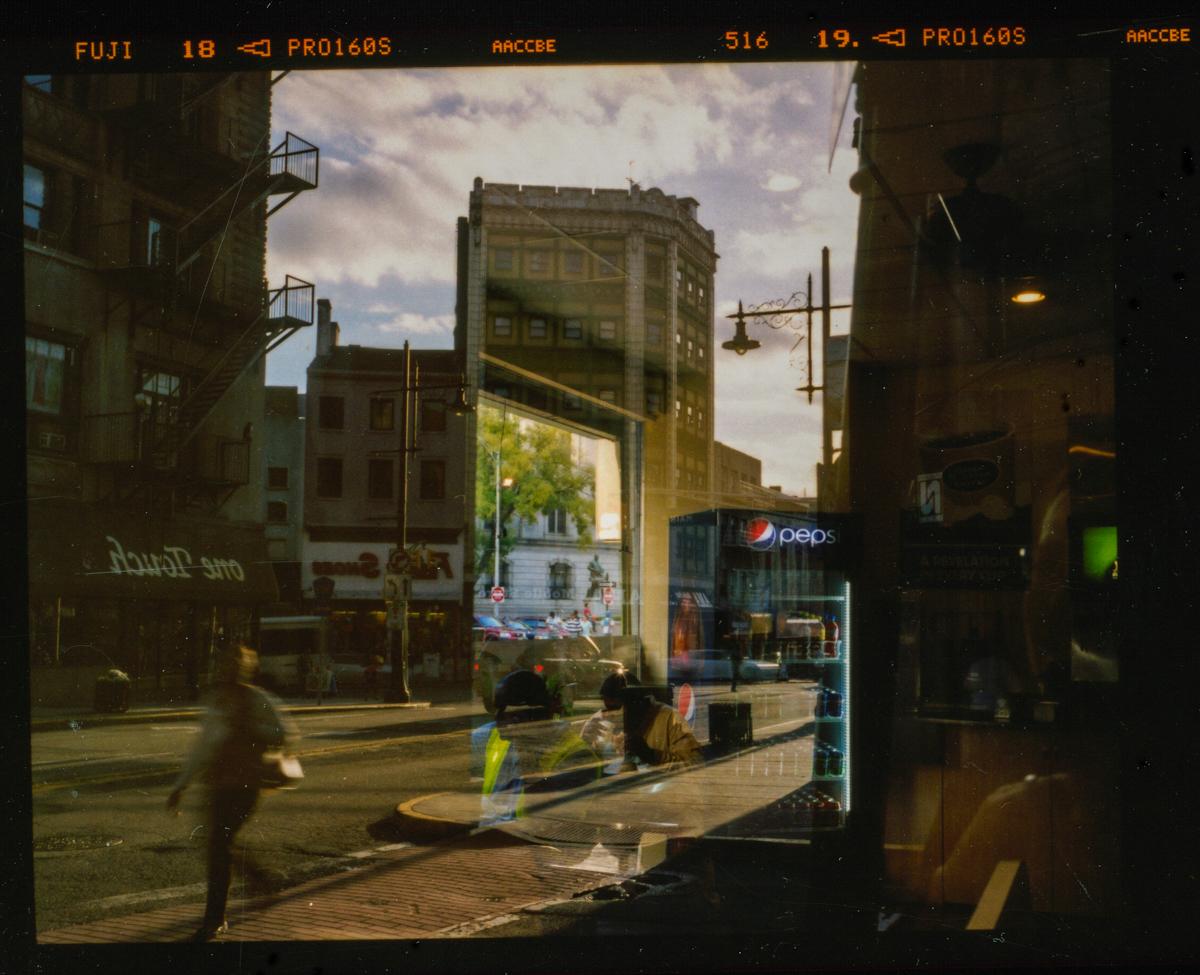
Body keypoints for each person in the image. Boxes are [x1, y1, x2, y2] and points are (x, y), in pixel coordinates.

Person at [166, 644, 298, 942]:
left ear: (247, 667)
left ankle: (214, 919)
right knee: (219, 844)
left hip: (246, 785)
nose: (230, 669)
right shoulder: (216, 699)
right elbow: (202, 747)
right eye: (225, 663)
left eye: (236, 663)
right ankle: (261, 879)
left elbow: (284, 734)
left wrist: (251, 729)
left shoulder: (258, 699)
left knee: (218, 845)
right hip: (217, 784)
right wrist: (180, 786)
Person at [579, 672, 627, 774]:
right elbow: (583, 754)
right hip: (604, 773)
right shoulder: (595, 721)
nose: (610, 703)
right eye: (607, 698)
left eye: (614, 698)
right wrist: (586, 741)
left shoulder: (631, 717)